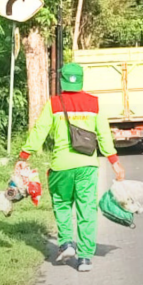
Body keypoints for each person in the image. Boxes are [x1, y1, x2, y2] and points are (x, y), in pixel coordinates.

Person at [17, 63, 125, 273]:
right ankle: (84, 258)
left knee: (62, 204)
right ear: (81, 79)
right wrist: (115, 162)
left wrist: (24, 155)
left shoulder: (55, 103)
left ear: (62, 80)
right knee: (86, 209)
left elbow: (40, 130)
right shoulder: (94, 104)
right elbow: (103, 134)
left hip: (61, 166)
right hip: (87, 166)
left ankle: (66, 243)